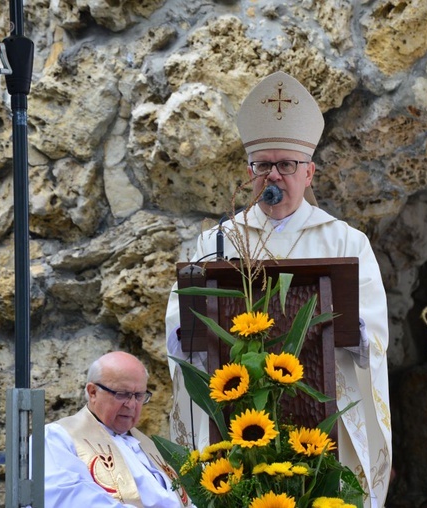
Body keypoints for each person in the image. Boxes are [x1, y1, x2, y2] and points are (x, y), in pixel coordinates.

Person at [164, 71, 391, 508]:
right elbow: (181, 322)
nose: (274, 174)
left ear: (309, 173)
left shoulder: (344, 241)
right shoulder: (218, 242)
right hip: (237, 410)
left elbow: (374, 333)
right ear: (250, 172)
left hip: (318, 409)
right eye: (263, 164)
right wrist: (186, 331)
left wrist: (351, 328)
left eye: (286, 164)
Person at [42, 351, 191, 506]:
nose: (132, 404)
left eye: (139, 395)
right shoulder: (57, 438)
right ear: (92, 392)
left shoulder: (147, 446)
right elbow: (68, 497)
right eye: (122, 394)